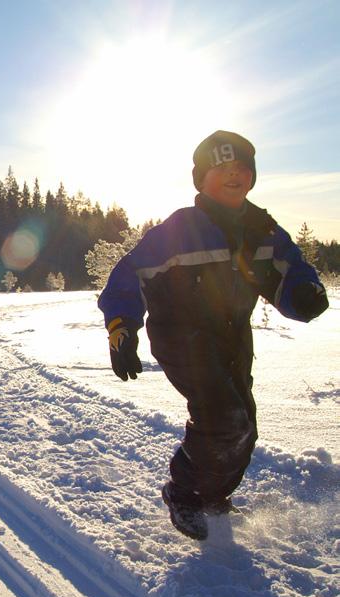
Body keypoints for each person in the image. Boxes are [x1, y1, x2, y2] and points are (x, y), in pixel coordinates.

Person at [98, 130, 329, 540]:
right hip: (181, 335)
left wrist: (304, 295)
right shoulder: (180, 229)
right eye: (221, 168)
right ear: (201, 178)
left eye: (240, 167)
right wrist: (121, 326)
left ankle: (213, 493)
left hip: (234, 337)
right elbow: (128, 275)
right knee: (224, 418)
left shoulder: (263, 230)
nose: (233, 175)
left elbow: (291, 272)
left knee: (245, 427)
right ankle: (183, 492)